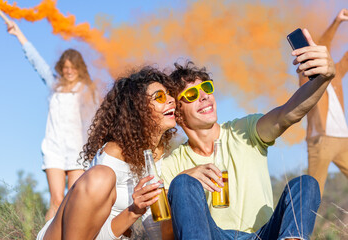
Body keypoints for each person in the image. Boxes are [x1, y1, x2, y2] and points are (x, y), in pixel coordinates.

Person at [160, 28, 335, 239]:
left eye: (206, 87)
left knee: (306, 185)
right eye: (191, 94)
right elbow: (165, 231)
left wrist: (323, 79)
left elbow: (288, 113)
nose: (204, 96)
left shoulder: (244, 131)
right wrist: (184, 179)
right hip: (213, 235)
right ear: (177, 113)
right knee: (182, 183)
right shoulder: (171, 165)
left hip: (264, 235)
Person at [36, 66, 177, 239]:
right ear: (139, 109)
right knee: (101, 176)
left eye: (170, 93)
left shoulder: (160, 157)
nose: (171, 99)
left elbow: (156, 228)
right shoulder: (112, 156)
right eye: (160, 97)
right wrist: (134, 211)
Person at [5, 20, 99, 221]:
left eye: (73, 67)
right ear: (61, 68)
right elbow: (36, 61)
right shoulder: (53, 83)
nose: (69, 71)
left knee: (75, 200)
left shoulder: (87, 89)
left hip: (77, 150)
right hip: (54, 148)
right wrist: (18, 33)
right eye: (65, 67)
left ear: (79, 68)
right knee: (56, 200)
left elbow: (98, 117)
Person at [299, 8, 348, 196]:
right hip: (321, 141)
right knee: (313, 192)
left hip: (343, 139)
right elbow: (322, 45)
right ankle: (302, 225)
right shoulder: (307, 76)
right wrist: (337, 22)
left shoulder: (334, 74)